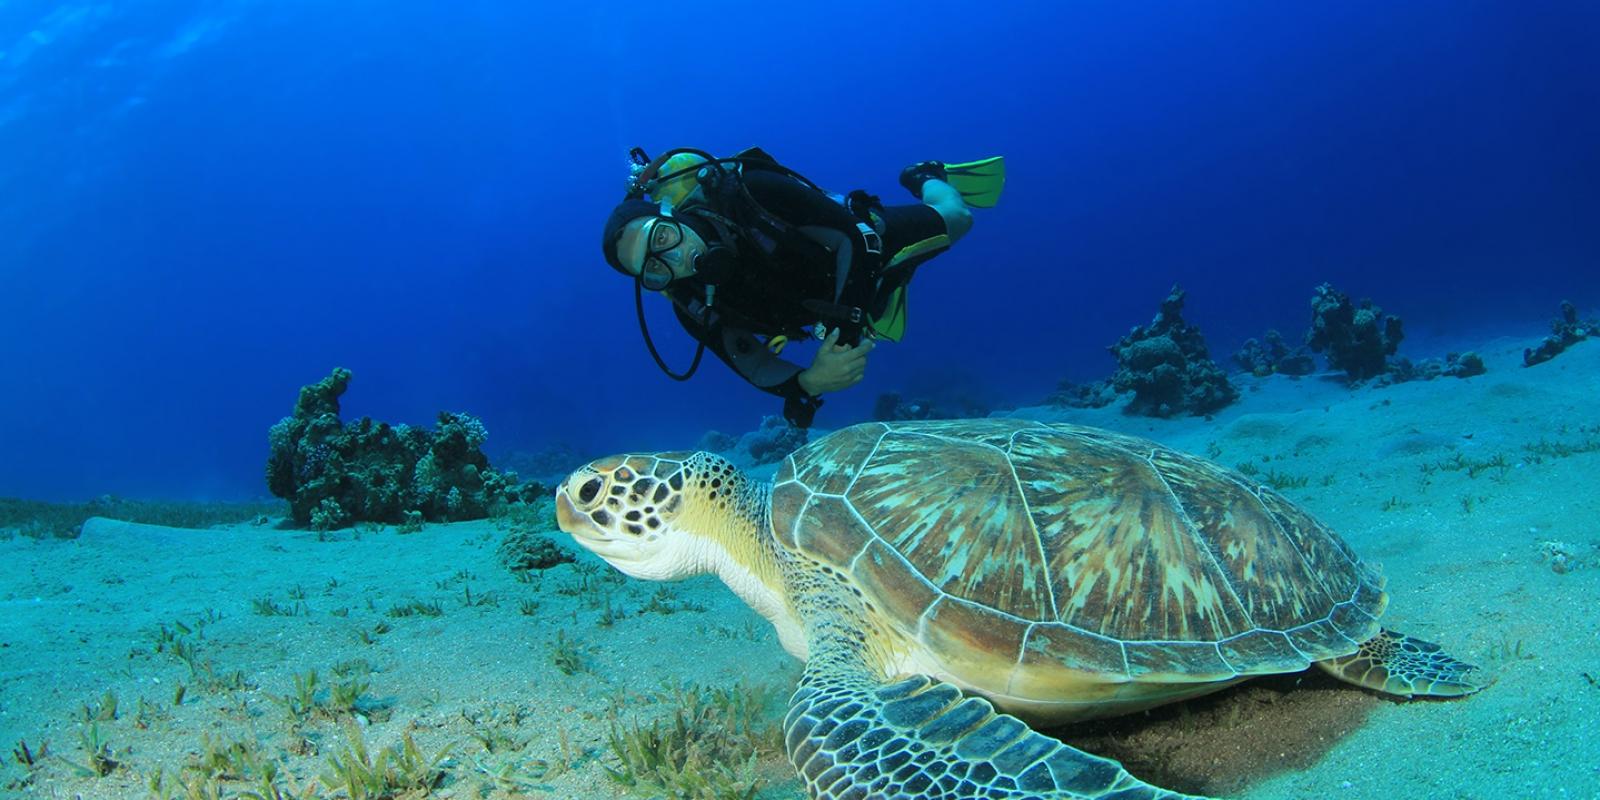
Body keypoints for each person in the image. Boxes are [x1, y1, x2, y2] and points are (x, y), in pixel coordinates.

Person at [600, 147, 1003, 428]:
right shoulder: (690, 304)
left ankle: (926, 176)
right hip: (836, 306)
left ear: (671, 215)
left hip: (865, 248)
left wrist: (847, 330)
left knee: (958, 218)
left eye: (664, 238)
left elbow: (852, 238)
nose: (675, 259)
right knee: (884, 296)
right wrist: (811, 381)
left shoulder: (751, 193)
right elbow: (753, 365)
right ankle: (890, 291)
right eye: (655, 268)